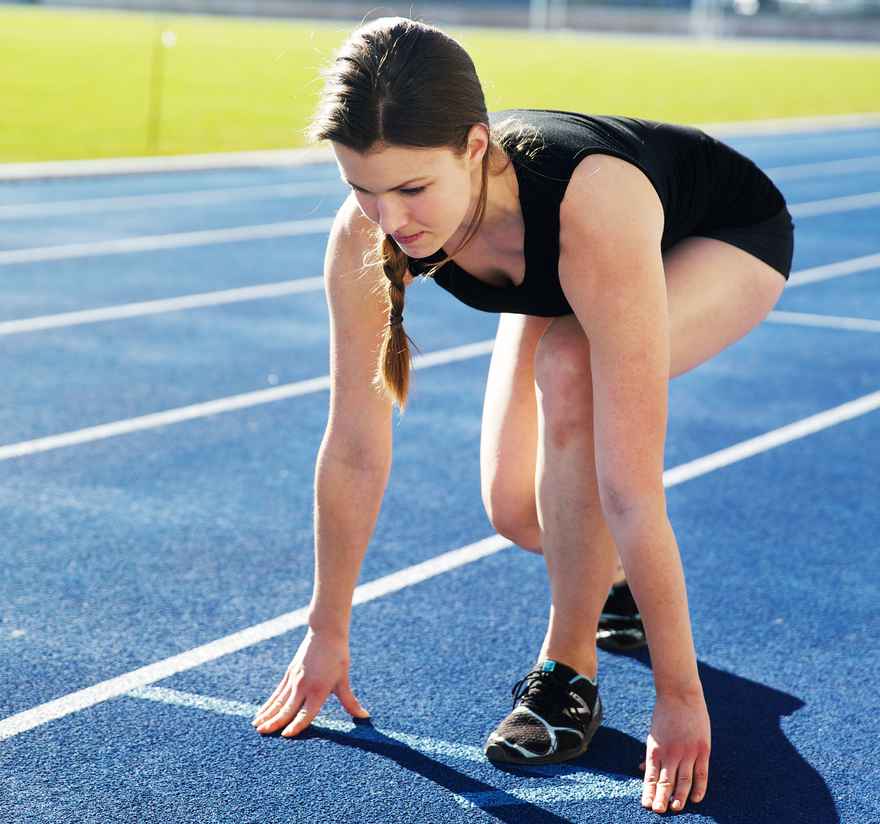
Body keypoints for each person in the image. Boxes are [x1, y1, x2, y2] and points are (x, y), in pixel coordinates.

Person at [250, 16, 794, 816]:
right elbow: (356, 448)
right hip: (553, 260)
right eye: (362, 189)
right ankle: (611, 584)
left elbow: (632, 487)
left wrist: (679, 694)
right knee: (517, 510)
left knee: (570, 367)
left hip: (718, 236)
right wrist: (326, 629)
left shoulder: (591, 206)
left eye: (410, 189)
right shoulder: (368, 234)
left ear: (475, 147)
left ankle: (568, 673)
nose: (390, 221)